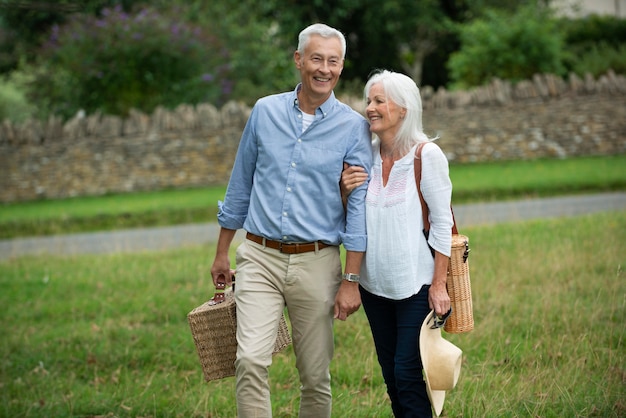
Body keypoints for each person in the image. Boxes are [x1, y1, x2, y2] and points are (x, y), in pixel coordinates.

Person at [210, 23, 372, 418]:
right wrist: (221, 253)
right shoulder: (265, 112)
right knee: (249, 359)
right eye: (316, 58)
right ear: (299, 60)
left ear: (341, 67)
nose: (324, 69)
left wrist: (351, 281)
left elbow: (358, 210)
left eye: (333, 61)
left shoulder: (353, 127)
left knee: (315, 376)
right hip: (259, 257)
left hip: (317, 261)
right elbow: (239, 184)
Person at [341, 70, 453, 417]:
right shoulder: (364, 155)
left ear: (403, 109)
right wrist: (344, 194)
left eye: (379, 101)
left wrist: (438, 285)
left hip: (416, 286)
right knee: (391, 375)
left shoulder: (426, 155)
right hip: (374, 288)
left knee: (407, 373)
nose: (369, 108)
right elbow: (355, 219)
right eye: (369, 100)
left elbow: (442, 222)